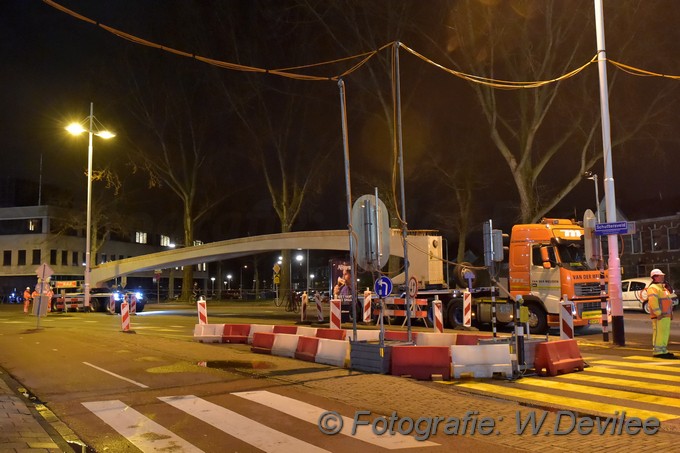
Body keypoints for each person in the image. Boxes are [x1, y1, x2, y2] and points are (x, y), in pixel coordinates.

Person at [647, 269, 676, 359]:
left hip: (665, 315)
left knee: (664, 333)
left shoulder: (663, 288)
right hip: (660, 316)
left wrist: (671, 293)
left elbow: (671, 299)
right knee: (659, 333)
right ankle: (658, 351)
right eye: (660, 275)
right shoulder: (653, 288)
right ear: (655, 277)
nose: (663, 276)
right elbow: (653, 302)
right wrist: (658, 313)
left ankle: (663, 350)